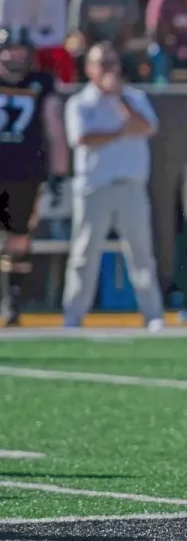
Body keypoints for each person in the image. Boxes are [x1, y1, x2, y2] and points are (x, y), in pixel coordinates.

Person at [62, 42, 164, 330]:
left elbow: (147, 127)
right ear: (89, 69)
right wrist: (120, 132)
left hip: (131, 185)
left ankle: (153, 315)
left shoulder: (134, 97)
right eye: (101, 64)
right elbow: (83, 139)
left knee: (141, 253)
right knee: (84, 255)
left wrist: (120, 101)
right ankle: (73, 316)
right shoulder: (80, 103)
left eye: (112, 63)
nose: (108, 70)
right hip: (95, 187)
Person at [0, 27, 68, 326]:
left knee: (18, 240)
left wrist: (59, 173)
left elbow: (55, 130)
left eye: (19, 50)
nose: (13, 56)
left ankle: (13, 302)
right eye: (8, 50)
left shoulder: (41, 83)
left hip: (25, 173)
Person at [0, 0, 75, 84]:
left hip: (44, 46)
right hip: (12, 48)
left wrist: (33, 44)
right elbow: (1, 29)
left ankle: (63, 91)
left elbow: (59, 35)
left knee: (62, 57)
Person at [67, 0, 140, 78]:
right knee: (78, 59)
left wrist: (113, 51)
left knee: (131, 61)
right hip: (89, 47)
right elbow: (80, 31)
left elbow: (128, 29)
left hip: (118, 48)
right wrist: (96, 51)